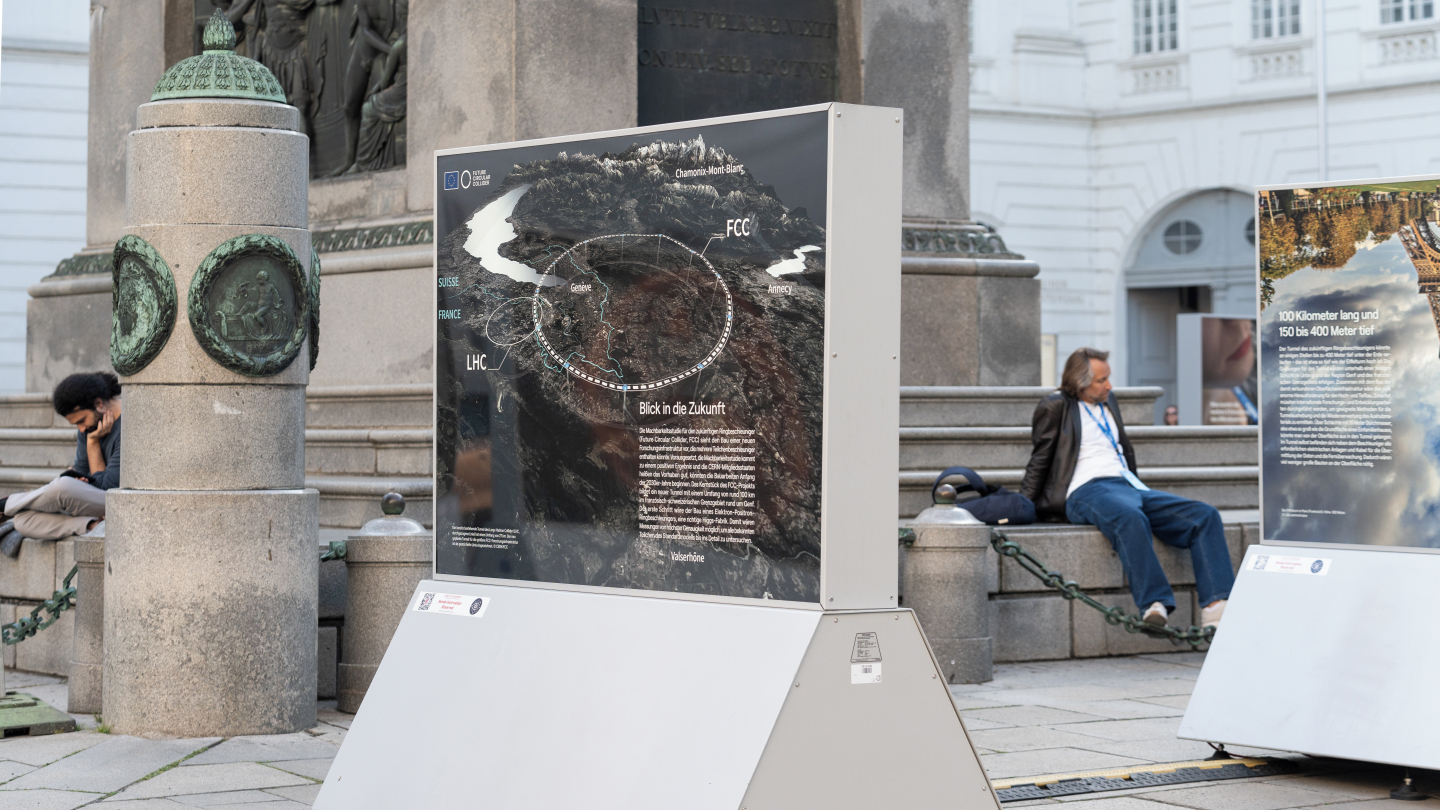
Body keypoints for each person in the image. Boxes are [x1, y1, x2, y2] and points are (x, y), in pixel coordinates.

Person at [1020, 348, 1233, 629]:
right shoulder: (1055, 405)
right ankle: (1154, 604)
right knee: (1129, 517)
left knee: (1203, 515)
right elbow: (1041, 458)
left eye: (1108, 378)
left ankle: (1218, 610)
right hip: (1085, 489)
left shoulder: (1109, 401)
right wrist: (1023, 505)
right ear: (1079, 381)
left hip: (1128, 486)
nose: (1108, 385)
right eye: (1101, 380)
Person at [0, 372, 121, 556]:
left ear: (99, 403)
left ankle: (7, 504)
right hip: (94, 509)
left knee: (62, 487)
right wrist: (77, 477)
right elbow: (80, 472)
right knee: (22, 521)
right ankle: (92, 525)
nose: (81, 429)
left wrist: (93, 444)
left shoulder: (127, 428)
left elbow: (107, 487)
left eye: (82, 421)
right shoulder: (88, 429)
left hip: (118, 503)